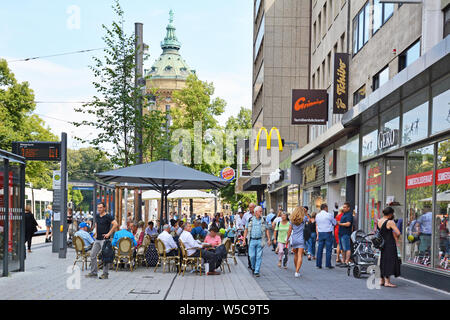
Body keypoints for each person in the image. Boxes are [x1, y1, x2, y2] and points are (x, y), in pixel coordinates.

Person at [85, 203, 118, 280]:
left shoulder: (108, 216)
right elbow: (96, 224)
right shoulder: (97, 216)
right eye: (98, 208)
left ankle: (105, 274)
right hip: (97, 239)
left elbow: (115, 224)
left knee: (105, 256)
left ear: (104, 208)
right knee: (92, 254)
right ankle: (94, 272)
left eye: (100, 208)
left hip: (104, 240)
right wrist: (96, 233)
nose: (99, 209)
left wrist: (109, 234)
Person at [243, 206, 271, 277]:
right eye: (260, 211)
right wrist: (243, 240)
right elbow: (246, 230)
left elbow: (267, 229)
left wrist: (269, 239)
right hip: (252, 240)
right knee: (252, 256)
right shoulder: (250, 220)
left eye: (261, 211)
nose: (261, 213)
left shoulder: (263, 220)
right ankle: (253, 267)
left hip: (260, 240)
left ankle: (257, 271)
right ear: (256, 212)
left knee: (259, 256)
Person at [378, 207, 401, 287]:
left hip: (382, 244)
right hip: (390, 244)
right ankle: (387, 282)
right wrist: (396, 237)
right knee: (389, 262)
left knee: (383, 261)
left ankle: (382, 280)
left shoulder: (379, 221)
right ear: (390, 214)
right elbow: (398, 232)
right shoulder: (390, 222)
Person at [287, 206, 309, 277]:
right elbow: (310, 220)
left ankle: (296, 269)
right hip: (301, 238)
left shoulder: (292, 220)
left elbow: (290, 230)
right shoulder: (303, 218)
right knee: (300, 255)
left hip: (294, 239)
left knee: (295, 255)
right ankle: (297, 271)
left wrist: (287, 239)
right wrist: (305, 212)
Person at [315, 203, 336, 269]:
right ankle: (327, 264)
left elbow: (317, 224)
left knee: (320, 249)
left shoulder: (317, 215)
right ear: (325, 208)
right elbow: (334, 223)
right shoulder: (329, 215)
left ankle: (318, 264)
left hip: (321, 233)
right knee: (328, 249)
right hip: (328, 233)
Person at [243, 203, 256, 269]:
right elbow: (244, 224)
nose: (251, 209)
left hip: (256, 236)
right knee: (249, 251)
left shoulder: (258, 214)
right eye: (250, 207)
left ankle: (254, 263)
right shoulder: (246, 215)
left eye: (252, 207)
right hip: (249, 236)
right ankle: (250, 263)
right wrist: (244, 237)